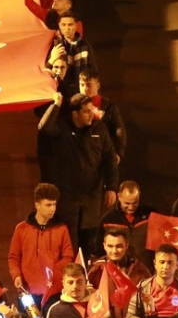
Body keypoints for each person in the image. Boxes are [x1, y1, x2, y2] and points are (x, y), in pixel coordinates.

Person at [36, 93, 118, 251]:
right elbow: (44, 127)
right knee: (68, 245)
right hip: (67, 201)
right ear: (75, 114)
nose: (91, 114)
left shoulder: (99, 129)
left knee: (89, 245)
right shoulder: (61, 128)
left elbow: (110, 159)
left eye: (91, 110)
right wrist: (56, 105)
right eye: (86, 111)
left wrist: (112, 187)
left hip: (91, 201)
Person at [8, 184, 77, 307]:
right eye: (48, 205)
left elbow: (68, 257)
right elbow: (13, 257)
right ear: (37, 205)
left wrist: (54, 270)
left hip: (53, 290)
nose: (52, 209)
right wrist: (16, 275)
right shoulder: (21, 229)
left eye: (54, 204)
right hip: (27, 290)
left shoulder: (62, 229)